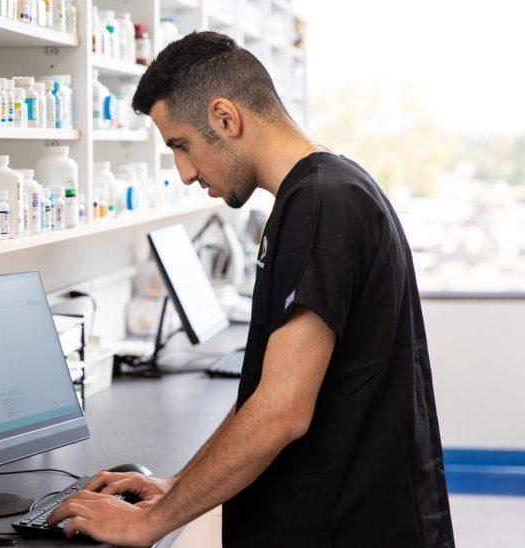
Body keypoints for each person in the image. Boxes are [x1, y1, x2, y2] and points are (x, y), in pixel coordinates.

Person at [48, 31, 455, 547]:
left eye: (181, 145)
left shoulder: (322, 204)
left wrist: (151, 521)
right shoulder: (321, 192)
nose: (186, 172)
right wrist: (173, 488)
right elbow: (262, 395)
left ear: (225, 118)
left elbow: (281, 412)